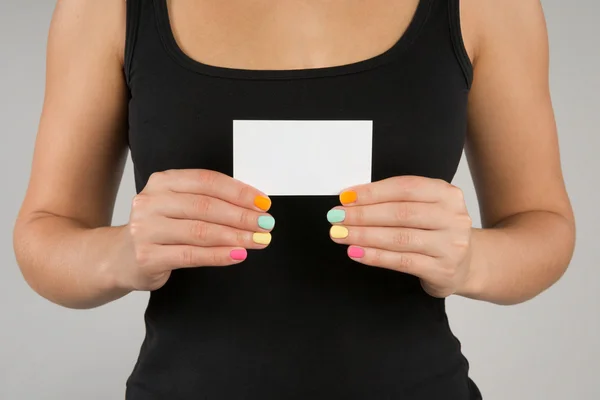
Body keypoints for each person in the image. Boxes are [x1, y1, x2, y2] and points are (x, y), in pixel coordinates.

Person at [13, 0, 575, 398]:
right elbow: (44, 233)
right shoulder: (105, 7)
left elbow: (544, 224)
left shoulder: (489, 5)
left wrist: (473, 260)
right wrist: (124, 253)